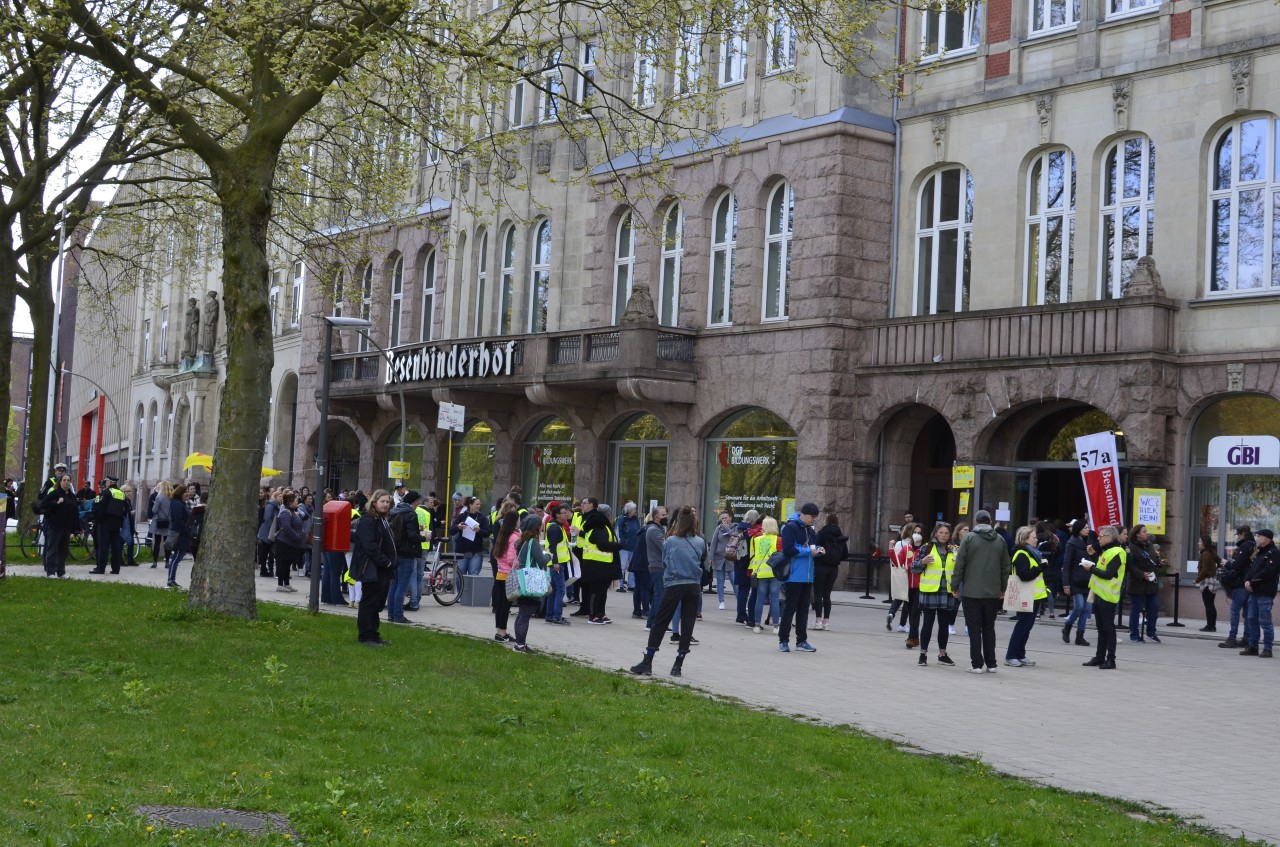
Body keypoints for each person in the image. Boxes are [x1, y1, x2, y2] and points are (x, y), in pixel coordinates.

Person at [629, 506, 706, 677]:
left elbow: (665, 561)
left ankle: (648, 661)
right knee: (688, 624)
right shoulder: (700, 541)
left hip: (674, 584)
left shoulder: (670, 541)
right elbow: (702, 559)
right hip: (693, 585)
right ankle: (678, 664)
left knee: (661, 622)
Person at [951, 509, 1012, 674]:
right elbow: (1006, 566)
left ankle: (977, 664)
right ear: (990, 522)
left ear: (976, 522)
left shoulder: (969, 538)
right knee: (989, 627)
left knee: (974, 628)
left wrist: (954, 585)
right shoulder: (999, 540)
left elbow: (960, 564)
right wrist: (1002, 588)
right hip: (992, 592)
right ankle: (991, 663)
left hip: (971, 591)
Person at [352, 490, 397, 646]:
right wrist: (385, 561)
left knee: (377, 603)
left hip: (382, 568)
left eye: (387, 502)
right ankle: (365, 636)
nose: (385, 504)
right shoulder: (368, 520)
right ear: (374, 502)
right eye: (382, 501)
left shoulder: (382, 520)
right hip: (371, 567)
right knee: (369, 602)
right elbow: (370, 546)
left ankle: (374, 635)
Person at [777, 503, 822, 653]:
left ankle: (801, 641)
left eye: (815, 517)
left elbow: (812, 548)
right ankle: (783, 640)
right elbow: (788, 549)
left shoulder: (810, 530)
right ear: (804, 514)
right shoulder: (790, 527)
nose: (814, 520)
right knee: (790, 608)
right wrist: (809, 551)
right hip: (794, 576)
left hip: (808, 576)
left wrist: (818, 551)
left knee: (803, 610)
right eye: (812, 517)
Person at [1081, 525, 1127, 670]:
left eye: (1101, 536)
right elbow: (1102, 569)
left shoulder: (1118, 552)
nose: (1098, 539)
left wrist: (1091, 569)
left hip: (1108, 596)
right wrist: (1094, 557)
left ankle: (1111, 659)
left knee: (1108, 629)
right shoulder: (1107, 551)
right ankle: (1099, 657)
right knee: (1101, 629)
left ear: (1109, 537)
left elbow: (1108, 574)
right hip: (1099, 594)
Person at [915, 522, 957, 666]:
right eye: (941, 533)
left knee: (944, 625)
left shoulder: (954, 550)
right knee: (928, 623)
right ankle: (923, 654)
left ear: (950, 535)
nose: (943, 536)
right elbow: (913, 568)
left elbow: (959, 570)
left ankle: (942, 654)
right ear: (935, 534)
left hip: (948, 592)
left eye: (946, 533)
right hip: (931, 591)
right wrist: (922, 561)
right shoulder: (927, 548)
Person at [1005, 525, 1047, 667]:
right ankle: (1011, 655)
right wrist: (1040, 567)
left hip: (1033, 596)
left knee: (1026, 627)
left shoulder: (1031, 553)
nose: (1036, 540)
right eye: (1033, 537)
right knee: (1022, 626)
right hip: (1026, 596)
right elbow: (1024, 575)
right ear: (1025, 539)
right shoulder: (1021, 554)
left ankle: (1020, 654)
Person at [511, 513, 552, 653]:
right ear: (536, 527)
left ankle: (519, 643)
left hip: (523, 580)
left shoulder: (522, 541)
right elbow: (542, 561)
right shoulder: (533, 542)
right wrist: (548, 555)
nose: (542, 528)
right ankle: (520, 645)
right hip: (531, 582)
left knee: (522, 614)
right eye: (540, 525)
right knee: (525, 615)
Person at [578, 498, 623, 624]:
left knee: (602, 591)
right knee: (595, 591)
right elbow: (602, 545)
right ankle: (593, 615)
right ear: (608, 515)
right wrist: (619, 545)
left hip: (601, 563)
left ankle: (601, 613)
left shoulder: (600, 525)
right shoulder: (599, 526)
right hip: (595, 563)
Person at [1239, 528, 1277, 658]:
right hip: (1254, 592)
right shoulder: (1259, 552)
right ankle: (1253, 646)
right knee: (1251, 619)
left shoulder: (1274, 553)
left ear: (1266, 538)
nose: (1257, 539)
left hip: (1264, 592)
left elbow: (1268, 572)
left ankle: (1267, 648)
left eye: (1259, 536)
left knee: (1265, 621)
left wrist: (1252, 582)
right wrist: (1247, 581)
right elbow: (1251, 569)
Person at [386, 491, 423, 622]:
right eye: (418, 502)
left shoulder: (394, 511)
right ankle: (398, 615)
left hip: (394, 553)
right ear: (414, 502)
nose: (418, 504)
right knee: (401, 587)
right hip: (406, 554)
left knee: (394, 585)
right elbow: (412, 536)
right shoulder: (410, 514)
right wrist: (424, 537)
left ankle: (391, 614)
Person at [1218, 525, 1255, 649]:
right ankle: (1247, 638)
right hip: (1249, 583)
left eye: (1238, 534)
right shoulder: (1254, 545)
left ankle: (1232, 638)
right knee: (1247, 612)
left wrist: (1227, 563)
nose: (1237, 537)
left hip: (1241, 583)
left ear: (1243, 533)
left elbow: (1238, 566)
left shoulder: (1245, 546)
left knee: (1235, 611)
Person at [1126, 524, 1162, 643]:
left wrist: (1159, 562)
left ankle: (1151, 632)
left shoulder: (1150, 545)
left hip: (1151, 582)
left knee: (1154, 606)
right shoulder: (1131, 547)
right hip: (1138, 583)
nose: (1146, 533)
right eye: (1144, 532)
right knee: (1136, 609)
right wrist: (1142, 574)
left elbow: (1152, 560)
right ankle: (1134, 634)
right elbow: (1130, 565)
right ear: (1137, 534)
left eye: (1146, 532)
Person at [1060, 519, 1093, 647]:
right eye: (1085, 528)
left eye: (1088, 527)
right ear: (1079, 529)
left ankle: (1080, 636)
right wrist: (1066, 584)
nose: (1087, 529)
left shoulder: (1089, 542)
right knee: (1079, 606)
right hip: (1076, 579)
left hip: (1087, 579)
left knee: (1086, 609)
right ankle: (1067, 626)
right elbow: (1067, 564)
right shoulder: (1072, 543)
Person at [40, 474, 79, 578]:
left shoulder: (72, 496)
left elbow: (75, 512)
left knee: (63, 549)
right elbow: (44, 505)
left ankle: (61, 572)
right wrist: (56, 503)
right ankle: (51, 572)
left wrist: (76, 527)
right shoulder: (54, 493)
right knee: (52, 548)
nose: (66, 482)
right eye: (64, 480)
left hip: (67, 526)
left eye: (68, 480)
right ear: (60, 482)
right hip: (55, 525)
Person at [813, 513, 847, 631]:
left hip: (820, 566)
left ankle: (818, 621)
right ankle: (826, 622)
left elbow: (815, 547)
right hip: (833, 568)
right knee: (827, 595)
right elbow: (845, 555)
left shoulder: (822, 533)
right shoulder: (841, 536)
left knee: (817, 593)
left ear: (826, 521)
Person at [491, 509, 521, 642]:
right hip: (508, 575)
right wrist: (520, 564)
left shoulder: (503, 534)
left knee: (501, 605)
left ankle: (500, 631)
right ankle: (502, 633)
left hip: (500, 574)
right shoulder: (514, 537)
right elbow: (511, 560)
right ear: (515, 521)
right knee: (506, 606)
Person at [749, 516, 782, 634]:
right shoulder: (778, 540)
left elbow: (753, 556)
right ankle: (776, 626)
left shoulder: (756, 539)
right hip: (774, 573)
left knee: (760, 599)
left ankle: (757, 625)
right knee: (775, 599)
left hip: (760, 573)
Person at [887, 522, 920, 636]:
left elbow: (921, 564)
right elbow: (898, 561)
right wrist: (891, 551)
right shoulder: (907, 547)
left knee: (910, 607)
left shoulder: (925, 548)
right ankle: (909, 631)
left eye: (919, 533)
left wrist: (909, 566)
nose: (917, 535)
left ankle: (893, 615)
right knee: (910, 608)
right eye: (915, 532)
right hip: (909, 581)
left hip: (913, 582)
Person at [90, 476, 128, 574]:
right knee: (116, 546)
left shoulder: (107, 492)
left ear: (110, 482)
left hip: (105, 522)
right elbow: (125, 509)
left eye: (106, 481)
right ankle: (115, 569)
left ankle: (100, 568)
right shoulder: (121, 493)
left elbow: (101, 508)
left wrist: (98, 520)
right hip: (117, 523)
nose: (105, 482)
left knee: (103, 546)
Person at [543, 502, 573, 625]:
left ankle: (550, 616)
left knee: (554, 590)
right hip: (557, 563)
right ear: (557, 515)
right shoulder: (555, 527)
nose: (566, 515)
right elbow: (553, 547)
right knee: (560, 590)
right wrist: (555, 562)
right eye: (563, 513)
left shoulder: (558, 526)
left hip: (559, 562)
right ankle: (557, 617)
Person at [273, 491, 308, 593]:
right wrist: (296, 537)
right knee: (282, 564)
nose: (297, 502)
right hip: (284, 543)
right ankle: (280, 585)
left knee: (287, 564)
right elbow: (286, 527)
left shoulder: (293, 512)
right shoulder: (285, 512)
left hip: (291, 543)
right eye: (296, 501)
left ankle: (286, 584)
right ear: (290, 502)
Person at [164, 483, 194, 588]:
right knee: (176, 557)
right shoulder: (177, 504)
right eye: (185, 492)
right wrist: (186, 530)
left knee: (178, 557)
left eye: (187, 492)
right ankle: (170, 580)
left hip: (182, 534)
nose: (188, 494)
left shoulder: (180, 503)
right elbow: (178, 520)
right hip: (180, 534)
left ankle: (171, 579)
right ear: (180, 493)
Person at [709, 510, 740, 610]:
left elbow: (736, 538)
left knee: (734, 580)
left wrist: (728, 529)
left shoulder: (736, 527)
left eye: (725, 518)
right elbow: (714, 543)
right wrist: (711, 557)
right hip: (719, 557)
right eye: (722, 518)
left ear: (730, 518)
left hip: (731, 557)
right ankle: (721, 601)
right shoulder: (718, 528)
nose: (724, 520)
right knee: (720, 581)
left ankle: (740, 601)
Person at [643, 506, 668, 630]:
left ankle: (655, 622)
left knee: (660, 594)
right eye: (663, 515)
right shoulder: (653, 530)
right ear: (656, 517)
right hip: (657, 565)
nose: (666, 517)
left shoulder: (660, 529)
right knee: (660, 594)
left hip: (660, 565)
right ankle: (652, 623)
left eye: (666, 514)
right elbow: (664, 546)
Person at [1194, 534, 1221, 633]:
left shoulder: (1205, 553)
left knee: (1208, 605)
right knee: (1211, 604)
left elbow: (1204, 570)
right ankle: (1212, 625)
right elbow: (1220, 561)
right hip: (1213, 581)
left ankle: (1210, 626)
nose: (1198, 543)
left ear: (1204, 543)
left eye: (1200, 542)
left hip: (1207, 582)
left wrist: (1197, 579)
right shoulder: (1211, 552)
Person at [616, 501, 642, 593]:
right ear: (630, 510)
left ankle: (632, 584)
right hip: (625, 547)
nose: (635, 511)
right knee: (622, 566)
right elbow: (618, 530)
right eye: (634, 509)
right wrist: (623, 541)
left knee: (632, 566)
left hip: (634, 546)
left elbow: (638, 530)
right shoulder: (622, 519)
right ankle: (621, 584)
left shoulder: (635, 519)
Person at [257, 488, 280, 578]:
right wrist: (273, 528)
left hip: (270, 532)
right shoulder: (271, 506)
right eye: (279, 496)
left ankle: (269, 570)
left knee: (270, 552)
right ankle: (264, 569)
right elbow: (267, 518)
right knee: (265, 551)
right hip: (267, 532)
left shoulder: (276, 506)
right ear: (275, 497)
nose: (281, 498)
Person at [150, 481, 173, 566]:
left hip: (159, 521)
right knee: (167, 543)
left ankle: (155, 562)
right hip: (168, 522)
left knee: (157, 542)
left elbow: (154, 510)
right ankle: (167, 561)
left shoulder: (159, 497)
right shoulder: (172, 497)